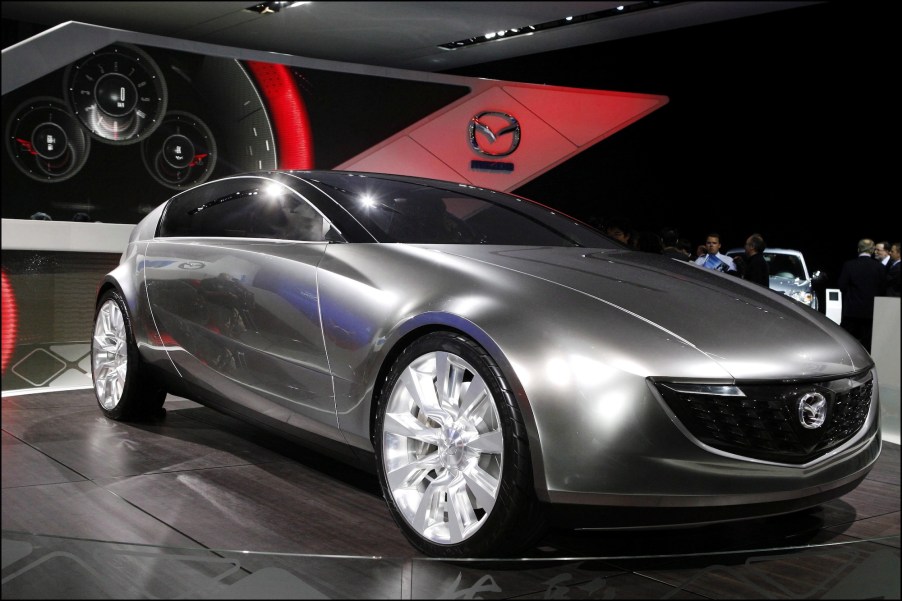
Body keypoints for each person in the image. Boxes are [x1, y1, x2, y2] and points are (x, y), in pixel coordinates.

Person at [837, 238, 887, 352]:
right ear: (872, 250)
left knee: (845, 344)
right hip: (871, 313)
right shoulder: (880, 267)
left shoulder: (849, 265)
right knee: (867, 347)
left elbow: (842, 286)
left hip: (851, 311)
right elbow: (883, 290)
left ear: (858, 249)